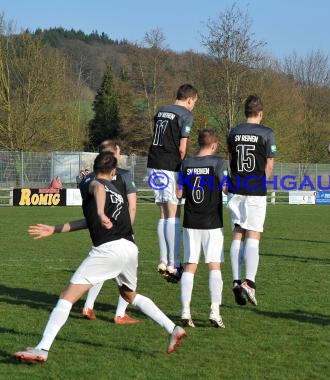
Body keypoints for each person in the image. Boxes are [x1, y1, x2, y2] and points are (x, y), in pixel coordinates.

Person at [13, 152, 186, 363]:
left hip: (108, 249)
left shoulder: (95, 183)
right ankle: (173, 328)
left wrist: (101, 213)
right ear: (114, 172)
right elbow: (88, 221)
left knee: (67, 296)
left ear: (96, 169)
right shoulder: (117, 192)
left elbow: (97, 188)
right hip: (129, 248)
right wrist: (55, 229)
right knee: (129, 295)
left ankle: (42, 348)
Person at [81, 139, 139, 324]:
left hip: (99, 231)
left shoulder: (89, 178)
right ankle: (120, 314)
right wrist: (127, 230)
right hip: (121, 232)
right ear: (116, 152)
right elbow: (132, 207)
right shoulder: (124, 175)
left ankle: (88, 305)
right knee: (128, 276)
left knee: (101, 268)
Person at [227, 95, 276, 306]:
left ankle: (237, 281)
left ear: (245, 112)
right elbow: (270, 167)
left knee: (238, 233)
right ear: (261, 113)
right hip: (255, 188)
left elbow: (230, 160)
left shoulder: (233, 132)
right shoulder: (267, 133)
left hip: (235, 187)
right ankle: (250, 282)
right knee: (254, 234)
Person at [176, 129, 228, 328]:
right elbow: (225, 187)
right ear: (214, 145)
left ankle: (185, 311)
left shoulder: (186, 164)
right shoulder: (217, 163)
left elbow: (180, 193)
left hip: (191, 221)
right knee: (213, 265)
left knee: (190, 266)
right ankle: (215, 312)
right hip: (212, 222)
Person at [147, 84, 198, 280]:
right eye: (194, 102)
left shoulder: (161, 110)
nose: (193, 106)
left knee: (162, 213)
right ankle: (173, 263)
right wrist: (182, 170)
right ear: (190, 99)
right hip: (170, 165)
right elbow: (182, 148)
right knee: (174, 212)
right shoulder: (185, 115)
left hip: (153, 163)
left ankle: (162, 259)